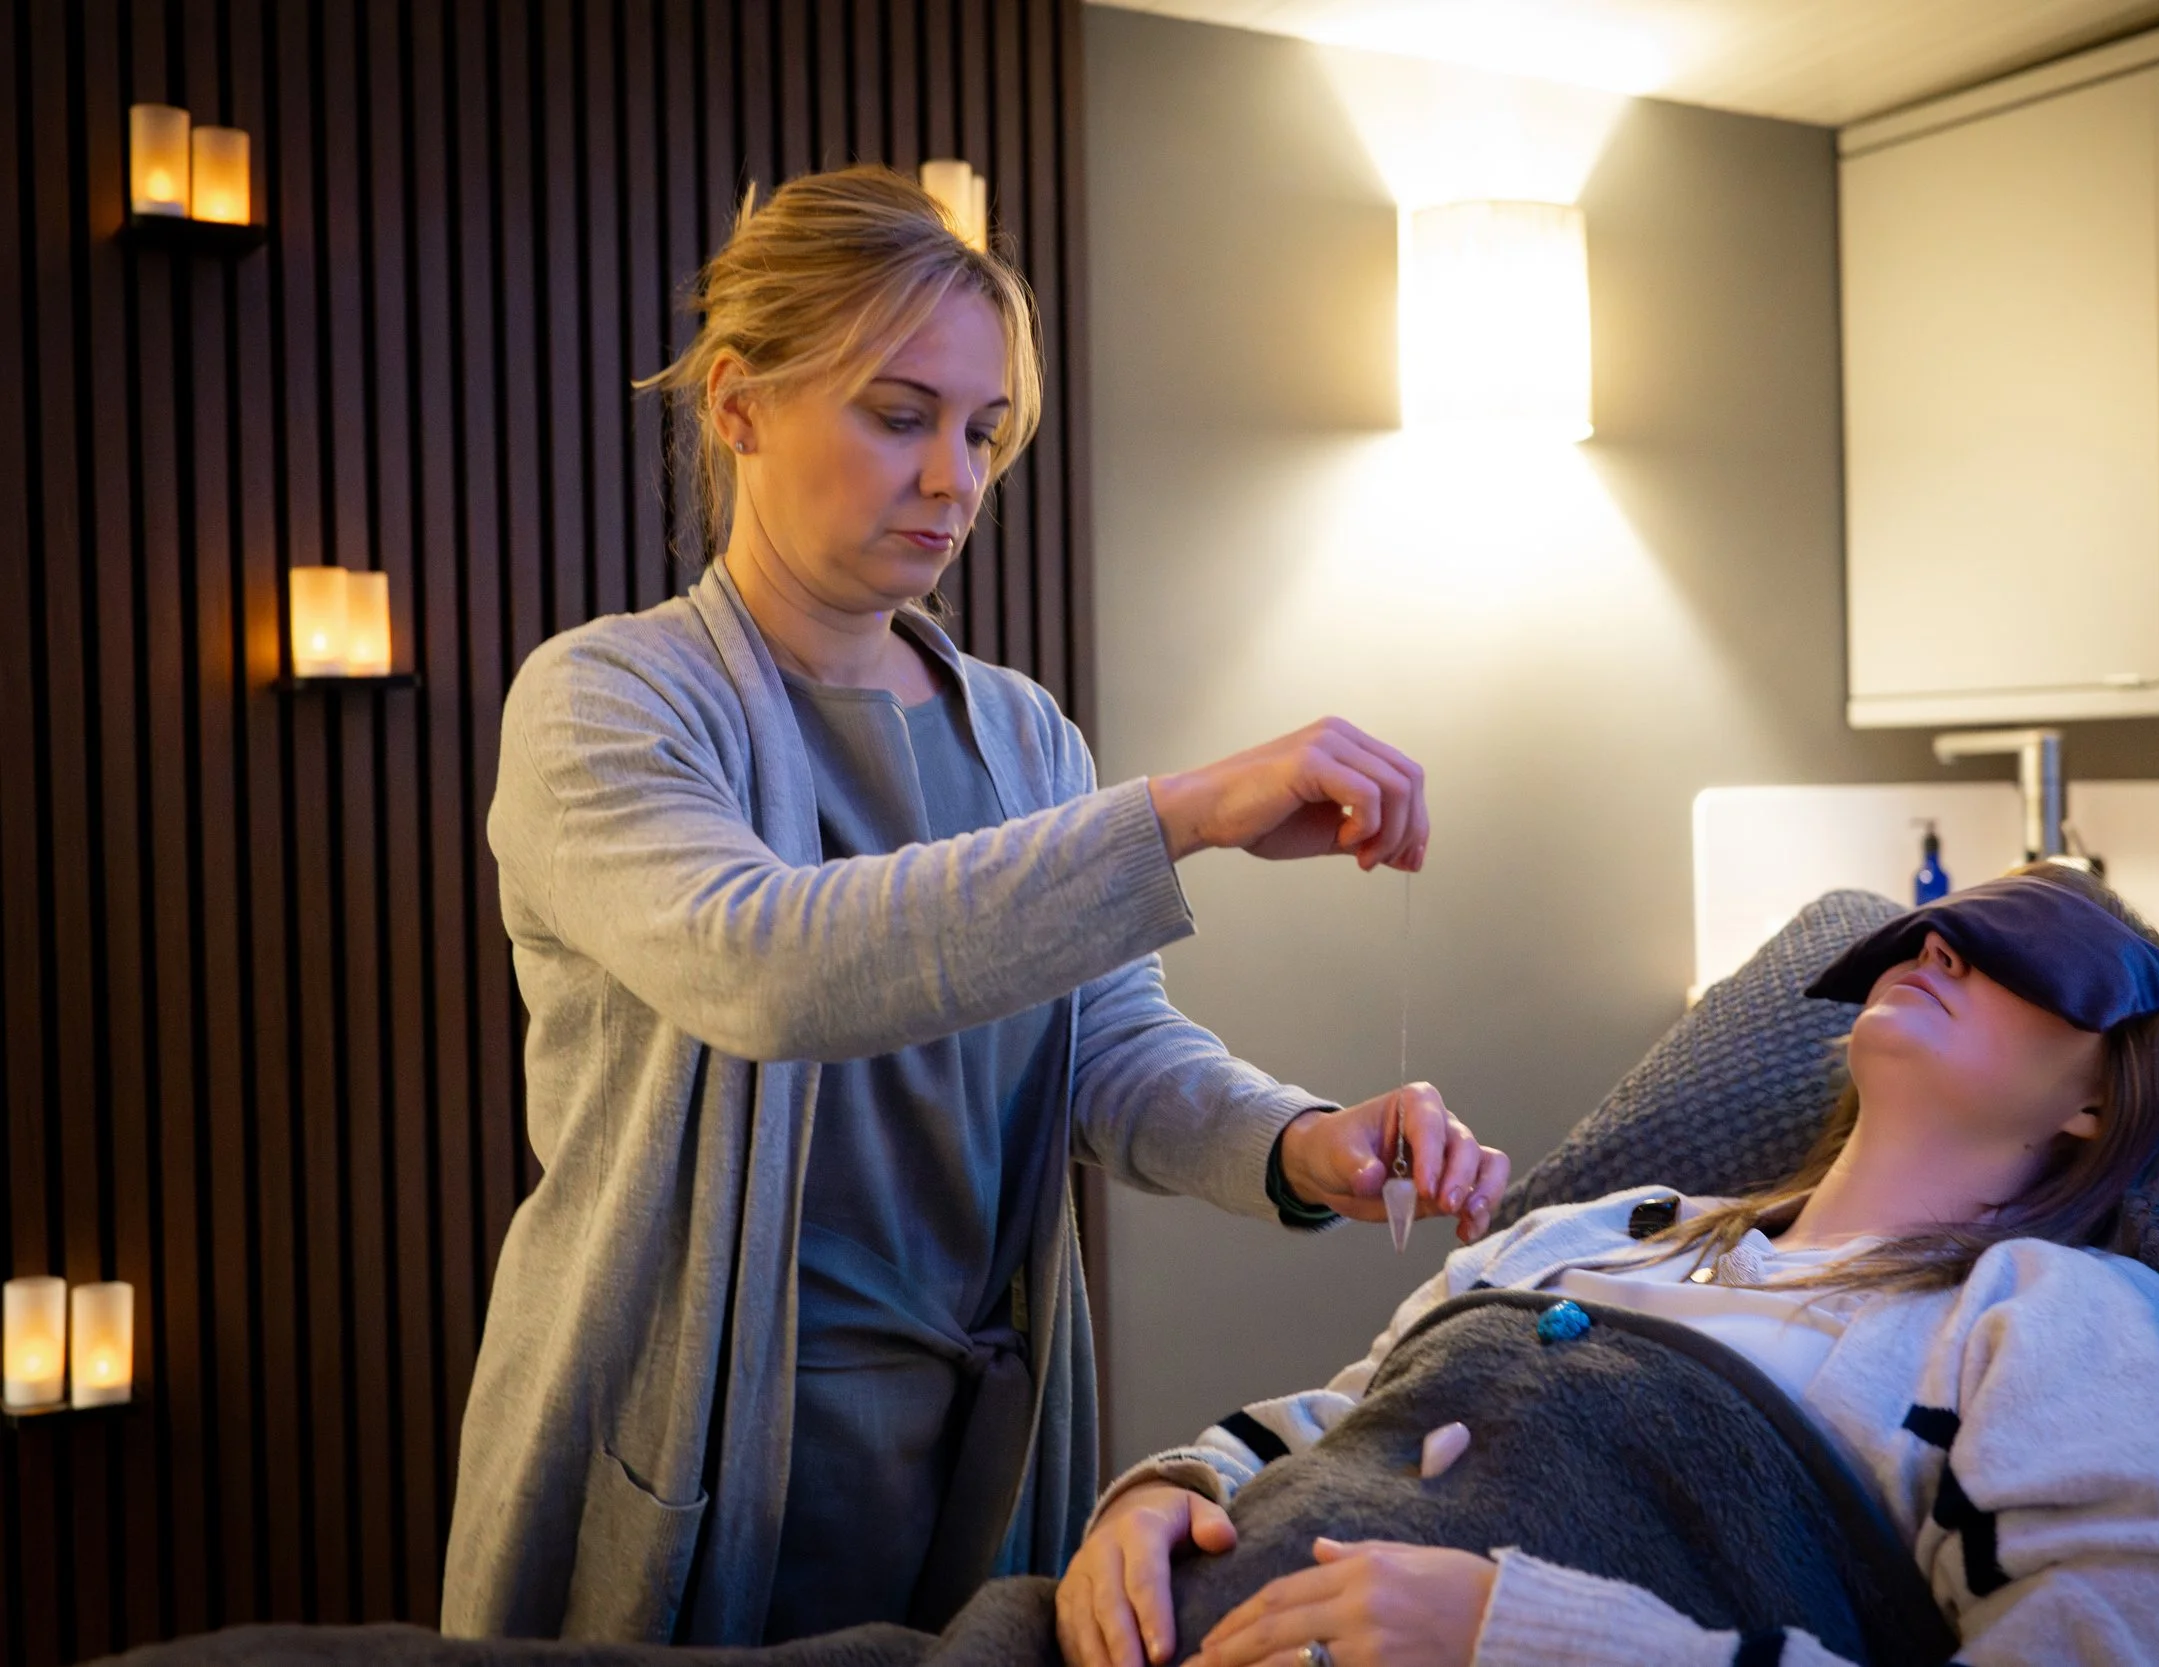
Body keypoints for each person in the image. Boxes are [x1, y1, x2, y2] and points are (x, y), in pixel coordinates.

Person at [439, 167, 1509, 1646]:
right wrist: (1181, 811)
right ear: (739, 404)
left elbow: (1099, 1047)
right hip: (694, 1444)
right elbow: (775, 965)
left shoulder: (1018, 732)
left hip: (978, 1447)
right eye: (899, 414)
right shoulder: (606, 700)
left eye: (985, 430)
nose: (955, 477)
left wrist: (1298, 1138)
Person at [1061, 866, 2159, 1667]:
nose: (1935, 949)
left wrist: (1528, 1638)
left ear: (2095, 1097)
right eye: (1935, 931)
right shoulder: (1595, 1231)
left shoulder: (2045, 1317)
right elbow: (1348, 1415)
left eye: (2023, 955)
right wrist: (1168, 1491)